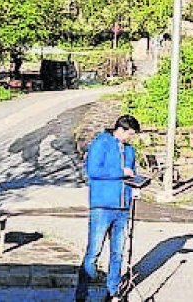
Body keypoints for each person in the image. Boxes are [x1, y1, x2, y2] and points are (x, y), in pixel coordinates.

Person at [76, 115, 141, 302]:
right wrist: (121, 173)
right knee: (94, 251)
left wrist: (135, 187)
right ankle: (81, 294)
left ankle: (113, 292)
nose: (131, 138)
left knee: (117, 253)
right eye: (130, 134)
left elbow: (130, 175)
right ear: (121, 129)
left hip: (123, 207)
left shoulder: (130, 150)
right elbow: (93, 171)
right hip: (103, 206)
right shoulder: (101, 143)